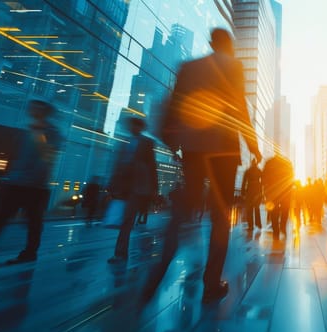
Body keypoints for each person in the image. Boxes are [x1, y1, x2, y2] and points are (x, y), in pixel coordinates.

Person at [143, 28, 261, 304]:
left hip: (194, 150)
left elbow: (174, 104)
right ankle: (211, 283)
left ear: (211, 43)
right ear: (228, 46)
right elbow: (239, 105)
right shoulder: (234, 66)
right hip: (223, 149)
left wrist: (173, 144)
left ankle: (159, 270)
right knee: (221, 215)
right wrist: (252, 144)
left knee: (183, 211)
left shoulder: (189, 67)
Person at [0, 100, 63, 264]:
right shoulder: (28, 130)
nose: (32, 110)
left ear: (45, 111)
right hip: (17, 183)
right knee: (2, 218)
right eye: (32, 107)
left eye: (36, 107)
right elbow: (18, 157)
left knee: (33, 222)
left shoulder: (51, 133)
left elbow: (47, 158)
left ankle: (30, 253)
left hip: (35, 186)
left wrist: (39, 133)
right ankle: (26, 252)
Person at [107, 117, 158, 264]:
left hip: (137, 187)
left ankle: (120, 253)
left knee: (127, 221)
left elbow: (152, 166)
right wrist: (111, 184)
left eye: (135, 125)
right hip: (123, 187)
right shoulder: (124, 142)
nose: (132, 127)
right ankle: (120, 253)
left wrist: (154, 188)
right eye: (131, 125)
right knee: (123, 220)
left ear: (140, 127)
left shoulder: (147, 143)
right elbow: (117, 164)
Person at [262, 154, 294, 239]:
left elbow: (263, 177)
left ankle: (276, 231)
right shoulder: (287, 162)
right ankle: (282, 226)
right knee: (285, 209)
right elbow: (291, 176)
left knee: (274, 211)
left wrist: (265, 191)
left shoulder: (269, 162)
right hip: (285, 191)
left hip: (273, 191)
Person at [241, 158, 263, 230]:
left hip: (250, 189)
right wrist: (262, 193)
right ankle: (258, 224)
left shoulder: (248, 171)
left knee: (249, 208)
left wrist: (243, 192)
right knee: (257, 207)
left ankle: (251, 225)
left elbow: (244, 182)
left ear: (251, 163)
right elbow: (262, 182)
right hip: (257, 190)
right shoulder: (259, 171)